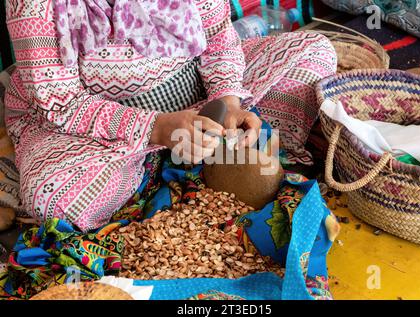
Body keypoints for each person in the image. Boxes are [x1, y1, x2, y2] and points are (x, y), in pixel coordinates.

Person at [5, 0, 337, 231]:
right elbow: (59, 101)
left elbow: (219, 39)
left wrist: (228, 99)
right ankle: (155, 165)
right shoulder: (35, 4)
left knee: (314, 52)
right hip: (97, 126)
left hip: (197, 95)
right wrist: (157, 128)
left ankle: (199, 153)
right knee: (53, 197)